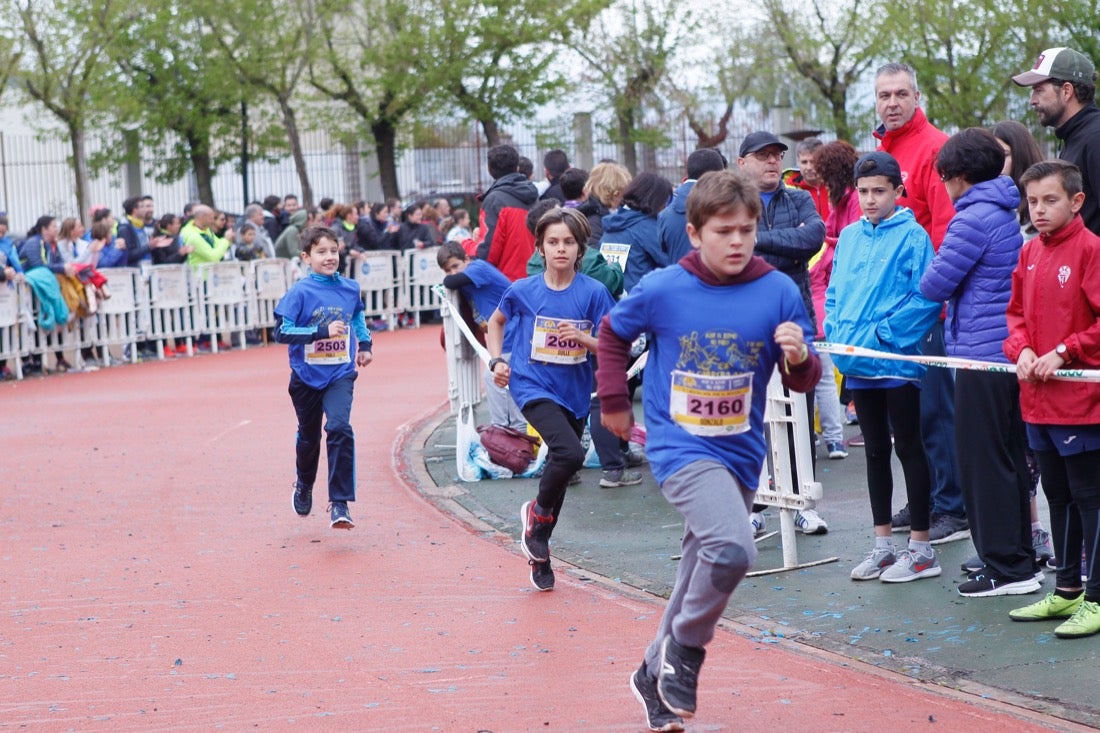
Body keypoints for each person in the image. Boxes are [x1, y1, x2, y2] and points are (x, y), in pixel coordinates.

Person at [597, 169, 821, 730]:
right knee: (732, 548)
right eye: (725, 230)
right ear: (695, 233)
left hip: (741, 451)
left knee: (700, 564)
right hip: (680, 445)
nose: (739, 241)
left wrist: (798, 359)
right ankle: (687, 651)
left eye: (747, 229)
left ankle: (652, 672)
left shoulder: (777, 291)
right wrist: (614, 401)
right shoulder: (665, 287)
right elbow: (611, 333)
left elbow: (803, 380)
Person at [919, 128, 1038, 597]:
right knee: (1006, 458)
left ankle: (1006, 567)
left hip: (980, 357)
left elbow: (934, 284)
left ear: (960, 177)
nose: (944, 186)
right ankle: (1015, 559)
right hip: (1002, 354)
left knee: (983, 463)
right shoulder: (1003, 212)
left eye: (946, 177)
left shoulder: (971, 220)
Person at [825, 151, 943, 583]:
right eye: (863, 192)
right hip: (856, 360)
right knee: (874, 451)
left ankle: (922, 547)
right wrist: (836, 333)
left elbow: (927, 297)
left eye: (879, 191)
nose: (870, 199)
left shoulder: (914, 237)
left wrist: (888, 336)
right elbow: (835, 292)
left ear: (898, 191)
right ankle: (883, 547)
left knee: (909, 446)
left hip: (896, 360)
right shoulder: (851, 236)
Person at [486, 207, 616, 591]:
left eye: (569, 242)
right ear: (540, 248)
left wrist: (585, 340)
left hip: (573, 391)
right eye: (553, 242)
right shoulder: (524, 290)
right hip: (531, 384)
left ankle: (539, 550)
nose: (561, 249)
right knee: (571, 454)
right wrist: (496, 360)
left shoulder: (593, 293)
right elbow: (495, 321)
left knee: (562, 468)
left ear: (581, 249)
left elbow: (613, 344)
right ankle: (537, 515)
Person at [1002, 159, 1100, 637]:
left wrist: (1065, 351)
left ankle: (1097, 597)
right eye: (1033, 201)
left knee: (1090, 497)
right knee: (1056, 494)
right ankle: (1066, 591)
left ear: (1076, 201)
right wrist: (1019, 348)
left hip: (1081, 402)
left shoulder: (1091, 250)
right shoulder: (1029, 254)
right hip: (1036, 400)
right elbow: (1015, 314)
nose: (1038, 210)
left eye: (1050, 200)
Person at [874, 62, 967, 545]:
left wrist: (929, 300)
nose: (891, 102)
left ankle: (952, 503)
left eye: (900, 93)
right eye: (884, 95)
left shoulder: (934, 148)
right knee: (908, 412)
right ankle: (929, 496)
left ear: (916, 95)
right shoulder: (882, 150)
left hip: (925, 305)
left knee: (935, 408)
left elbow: (947, 228)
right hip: (893, 306)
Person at [737, 130, 828, 535]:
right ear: (742, 163)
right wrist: (764, 246)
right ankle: (752, 506)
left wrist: (759, 240)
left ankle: (802, 502)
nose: (772, 161)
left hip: (794, 320)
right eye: (763, 156)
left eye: (776, 155)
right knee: (749, 417)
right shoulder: (732, 201)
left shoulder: (800, 197)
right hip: (748, 324)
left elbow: (812, 239)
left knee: (798, 414)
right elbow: (732, 249)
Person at [274, 225, 374, 530]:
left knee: (340, 427)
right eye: (321, 252)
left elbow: (356, 315)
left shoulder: (350, 288)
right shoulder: (299, 293)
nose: (329, 257)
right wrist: (320, 332)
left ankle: (340, 502)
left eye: (333, 250)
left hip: (340, 372)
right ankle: (304, 484)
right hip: (305, 375)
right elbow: (281, 331)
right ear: (307, 257)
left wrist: (365, 344)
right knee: (309, 435)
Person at [989, 119, 1055, 569]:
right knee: (1022, 452)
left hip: (1057, 356)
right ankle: (1033, 535)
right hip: (1017, 352)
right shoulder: (999, 215)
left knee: (1059, 462)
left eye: (1005, 156)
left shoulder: (1045, 229)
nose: (998, 166)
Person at [809, 140, 861, 460]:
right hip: (830, 304)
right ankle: (834, 436)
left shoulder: (852, 199)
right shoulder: (839, 198)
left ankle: (834, 433)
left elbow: (849, 238)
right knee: (827, 377)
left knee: (826, 377)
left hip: (844, 296)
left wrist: (822, 240)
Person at [438, 240, 525, 431]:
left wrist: (448, 278)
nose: (453, 272)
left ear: (466, 259)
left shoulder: (478, 269)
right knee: (506, 380)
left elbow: (450, 282)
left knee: (495, 377)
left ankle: (503, 428)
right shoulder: (470, 273)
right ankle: (513, 430)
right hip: (505, 330)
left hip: (513, 328)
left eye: (455, 266)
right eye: (447, 269)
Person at [1012, 47, 1100, 236]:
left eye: (1039, 90)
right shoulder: (1075, 135)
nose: (1032, 101)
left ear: (1067, 91)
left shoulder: (1095, 136)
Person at [598, 171, 673, 292]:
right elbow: (672, 264)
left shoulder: (611, 224)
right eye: (664, 201)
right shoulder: (648, 228)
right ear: (655, 200)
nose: (664, 206)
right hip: (642, 300)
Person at [476, 144, 539, 280]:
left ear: (489, 170)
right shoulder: (535, 197)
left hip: (507, 283)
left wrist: (466, 244)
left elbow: (488, 253)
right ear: (517, 168)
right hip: (536, 278)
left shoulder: (494, 201)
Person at [659, 148, 727, 264]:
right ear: (720, 174)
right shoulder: (727, 207)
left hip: (675, 278)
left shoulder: (664, 214)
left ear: (688, 173)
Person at [782, 137, 830, 222]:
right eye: (804, 162)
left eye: (814, 161)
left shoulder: (836, 187)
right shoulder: (787, 190)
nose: (809, 167)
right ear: (798, 162)